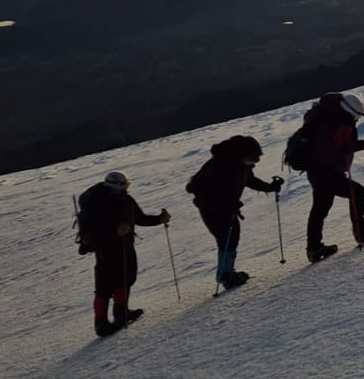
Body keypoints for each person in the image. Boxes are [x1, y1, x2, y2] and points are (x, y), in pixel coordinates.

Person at [75, 169, 170, 337]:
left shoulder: (126, 200)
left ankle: (121, 312)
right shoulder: (98, 204)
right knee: (104, 285)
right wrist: (115, 231)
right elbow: (97, 228)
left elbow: (139, 218)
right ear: (116, 186)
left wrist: (159, 219)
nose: (126, 188)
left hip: (125, 246)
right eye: (124, 185)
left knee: (126, 277)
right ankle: (101, 323)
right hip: (105, 249)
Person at [186, 135, 282, 290]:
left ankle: (227, 273)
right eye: (254, 157)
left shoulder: (240, 164)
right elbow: (209, 193)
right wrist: (228, 203)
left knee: (230, 238)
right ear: (243, 153)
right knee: (227, 239)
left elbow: (250, 181)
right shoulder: (221, 165)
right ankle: (225, 275)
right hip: (212, 209)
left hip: (224, 208)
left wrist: (271, 187)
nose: (256, 161)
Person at [302, 92, 364, 261]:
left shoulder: (337, 119)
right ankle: (360, 231)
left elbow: (348, 146)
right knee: (356, 192)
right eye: (357, 116)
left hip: (320, 172)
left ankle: (314, 248)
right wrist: (340, 145)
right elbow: (327, 151)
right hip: (324, 172)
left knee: (321, 208)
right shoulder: (332, 123)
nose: (357, 119)